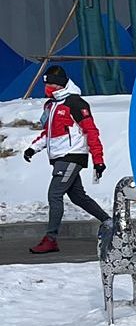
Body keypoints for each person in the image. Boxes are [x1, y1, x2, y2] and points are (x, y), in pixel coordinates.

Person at [24, 64, 108, 255]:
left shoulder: (75, 103)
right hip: (59, 158)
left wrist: (98, 160)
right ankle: (109, 222)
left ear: (60, 84)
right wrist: (32, 148)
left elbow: (91, 132)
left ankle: (50, 239)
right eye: (46, 85)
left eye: (51, 85)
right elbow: (49, 133)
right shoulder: (51, 105)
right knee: (78, 196)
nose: (47, 88)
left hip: (72, 156)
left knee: (54, 194)